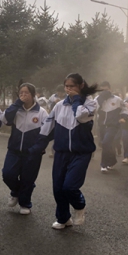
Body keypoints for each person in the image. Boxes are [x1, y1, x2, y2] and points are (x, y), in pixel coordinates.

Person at [29, 73, 98, 229]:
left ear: (81, 86)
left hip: (81, 152)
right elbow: (47, 127)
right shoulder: (59, 105)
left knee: (70, 186)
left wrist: (77, 100)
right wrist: (38, 146)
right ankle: (63, 218)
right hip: (61, 152)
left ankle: (79, 206)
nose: (68, 89)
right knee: (58, 187)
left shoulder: (90, 103)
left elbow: (81, 117)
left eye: (72, 86)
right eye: (66, 86)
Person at [0, 83, 49, 215]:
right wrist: (16, 104)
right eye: (21, 93)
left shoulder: (41, 112)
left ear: (33, 95)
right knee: (7, 174)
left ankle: (25, 203)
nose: (23, 95)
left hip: (32, 153)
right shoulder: (16, 109)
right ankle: (16, 192)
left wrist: (38, 148)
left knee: (28, 179)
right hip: (14, 150)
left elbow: (47, 132)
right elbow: (4, 119)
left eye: (26, 93)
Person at [96, 81, 126, 173]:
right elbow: (93, 109)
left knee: (105, 142)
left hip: (113, 125)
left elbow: (124, 109)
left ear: (110, 89)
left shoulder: (117, 99)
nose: (104, 92)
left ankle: (103, 164)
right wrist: (100, 100)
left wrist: (123, 117)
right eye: (102, 90)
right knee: (107, 144)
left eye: (106, 89)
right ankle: (112, 160)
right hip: (102, 125)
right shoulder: (98, 99)